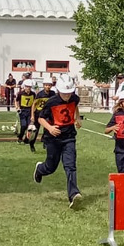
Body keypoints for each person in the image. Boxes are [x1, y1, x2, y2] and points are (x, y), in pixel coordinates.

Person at [33, 73, 82, 207]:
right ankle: (40, 169)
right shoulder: (51, 102)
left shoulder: (75, 98)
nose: (67, 96)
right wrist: (50, 128)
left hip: (69, 137)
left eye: (69, 93)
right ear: (59, 90)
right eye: (64, 93)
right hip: (53, 139)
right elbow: (40, 118)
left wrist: (77, 118)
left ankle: (73, 194)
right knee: (51, 167)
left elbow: (75, 106)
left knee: (70, 166)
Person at [28, 79, 55, 153]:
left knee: (47, 129)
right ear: (43, 86)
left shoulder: (53, 94)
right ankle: (32, 144)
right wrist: (32, 115)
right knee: (35, 130)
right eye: (46, 85)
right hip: (39, 113)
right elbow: (34, 105)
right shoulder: (40, 94)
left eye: (49, 85)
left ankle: (45, 142)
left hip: (48, 114)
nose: (47, 87)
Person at [15, 79, 36, 143]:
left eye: (29, 87)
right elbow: (16, 101)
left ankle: (26, 139)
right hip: (23, 111)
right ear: (24, 86)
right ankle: (20, 137)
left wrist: (33, 113)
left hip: (30, 111)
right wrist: (17, 107)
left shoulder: (33, 94)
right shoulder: (20, 93)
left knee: (29, 126)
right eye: (27, 86)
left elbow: (34, 103)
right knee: (23, 125)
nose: (28, 88)